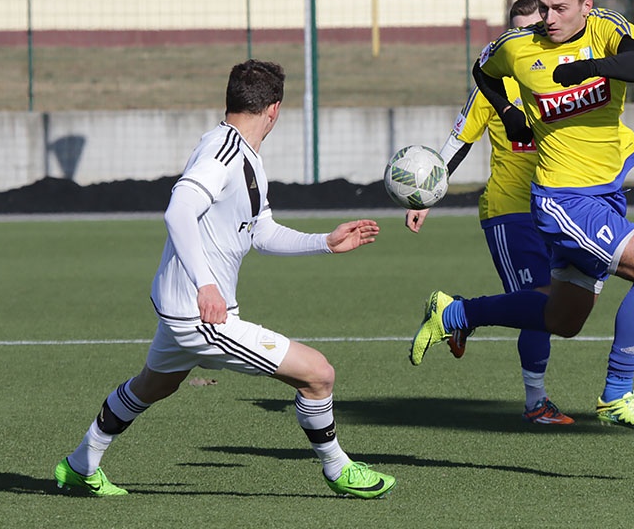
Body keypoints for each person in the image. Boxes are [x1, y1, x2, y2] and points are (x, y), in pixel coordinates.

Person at [54, 59, 396, 498]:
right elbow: (178, 211)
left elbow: (262, 232)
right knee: (318, 374)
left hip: (180, 307)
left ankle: (81, 464)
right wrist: (206, 284)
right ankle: (338, 468)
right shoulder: (223, 153)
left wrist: (325, 242)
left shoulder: (242, 153)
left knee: (152, 386)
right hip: (200, 315)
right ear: (274, 110)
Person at [410, 0, 634, 431]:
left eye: (559, 8)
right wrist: (510, 113)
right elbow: (483, 71)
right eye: (544, 7)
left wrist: (593, 67)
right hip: (563, 198)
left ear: (586, 5)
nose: (549, 18)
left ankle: (456, 312)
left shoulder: (607, 29)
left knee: (563, 319)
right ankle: (618, 393)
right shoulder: (517, 46)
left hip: (605, 193)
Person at [406, 0, 573, 425]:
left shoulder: (561, 74)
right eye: (514, 31)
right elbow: (460, 139)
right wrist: (428, 195)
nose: (523, 37)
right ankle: (535, 402)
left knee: (557, 305)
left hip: (560, 210)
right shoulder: (494, 83)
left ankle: (458, 313)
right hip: (510, 211)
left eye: (532, 28)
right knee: (541, 302)